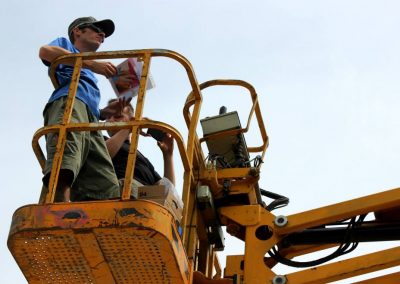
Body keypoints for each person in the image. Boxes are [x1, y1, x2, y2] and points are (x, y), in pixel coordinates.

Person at [39, 17, 130, 202]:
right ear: (77, 31)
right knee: (65, 160)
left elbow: (90, 105)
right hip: (70, 104)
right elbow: (44, 51)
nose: (102, 35)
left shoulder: (90, 73)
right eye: (97, 29)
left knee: (106, 184)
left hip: (90, 120)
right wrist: (90, 63)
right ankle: (59, 214)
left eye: (104, 34)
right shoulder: (66, 46)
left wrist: (105, 111)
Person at [105, 99, 175, 197]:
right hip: (125, 193)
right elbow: (102, 155)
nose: (111, 120)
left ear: (132, 119)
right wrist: (129, 127)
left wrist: (168, 156)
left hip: (147, 199)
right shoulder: (102, 140)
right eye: (107, 117)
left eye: (117, 116)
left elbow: (168, 191)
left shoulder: (140, 157)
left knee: (173, 202)